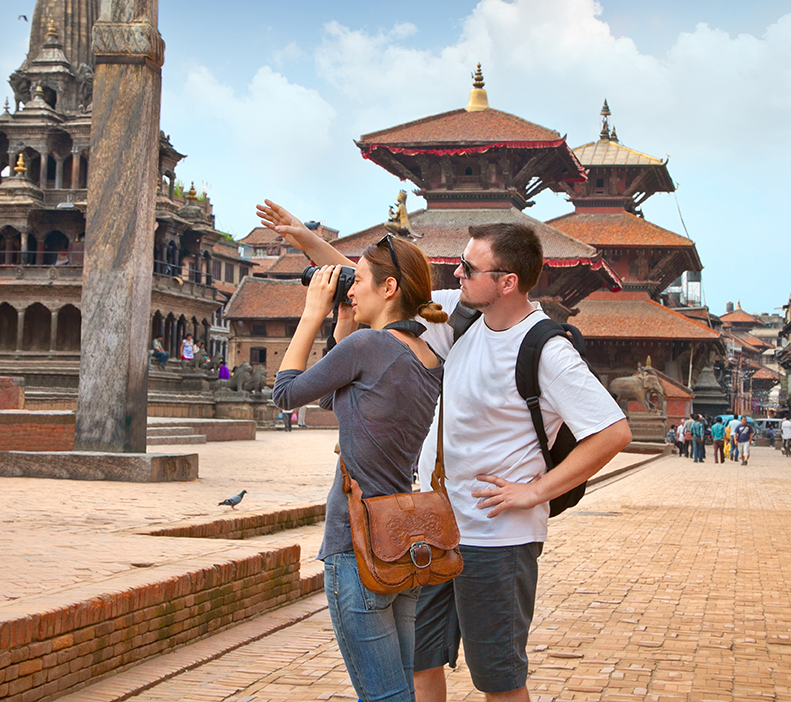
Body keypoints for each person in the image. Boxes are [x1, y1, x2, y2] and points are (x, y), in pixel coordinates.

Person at [257, 201, 631, 702]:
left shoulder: (545, 349)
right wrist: (303, 236)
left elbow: (613, 432)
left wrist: (535, 492)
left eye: (468, 268)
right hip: (435, 528)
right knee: (421, 663)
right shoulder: (458, 319)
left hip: (499, 539)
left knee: (498, 679)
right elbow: (374, 283)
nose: (456, 272)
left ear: (508, 282)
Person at [271, 235, 448, 702]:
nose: (350, 290)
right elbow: (339, 398)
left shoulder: (369, 346)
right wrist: (342, 330)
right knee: (399, 690)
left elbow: (286, 395)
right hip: (403, 541)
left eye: (359, 281)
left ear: (388, 288)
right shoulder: (428, 357)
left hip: (357, 543)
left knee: (384, 696)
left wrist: (312, 312)